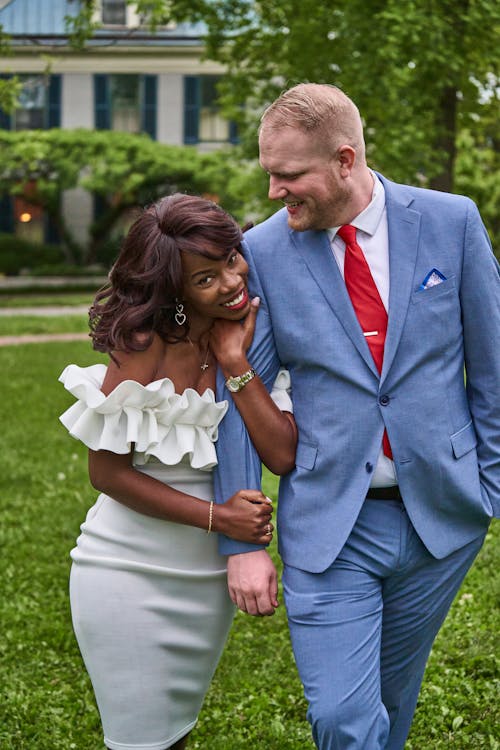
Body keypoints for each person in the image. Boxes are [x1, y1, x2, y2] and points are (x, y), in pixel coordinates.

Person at [213, 83, 500, 749]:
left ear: (344, 161)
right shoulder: (262, 251)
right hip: (328, 525)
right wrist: (244, 543)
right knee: (345, 718)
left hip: (444, 520)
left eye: (288, 176)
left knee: (390, 704)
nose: (274, 193)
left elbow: (490, 371)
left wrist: (489, 491)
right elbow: (236, 396)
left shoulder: (452, 223)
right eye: (268, 175)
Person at [58, 192, 297, 750]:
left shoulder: (251, 332)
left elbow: (280, 456)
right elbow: (107, 474)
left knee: (176, 733)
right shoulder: (146, 346)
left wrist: (237, 363)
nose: (232, 282)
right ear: (176, 292)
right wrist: (220, 519)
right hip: (127, 573)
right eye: (205, 280)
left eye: (231, 260)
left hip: (205, 585)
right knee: (140, 740)